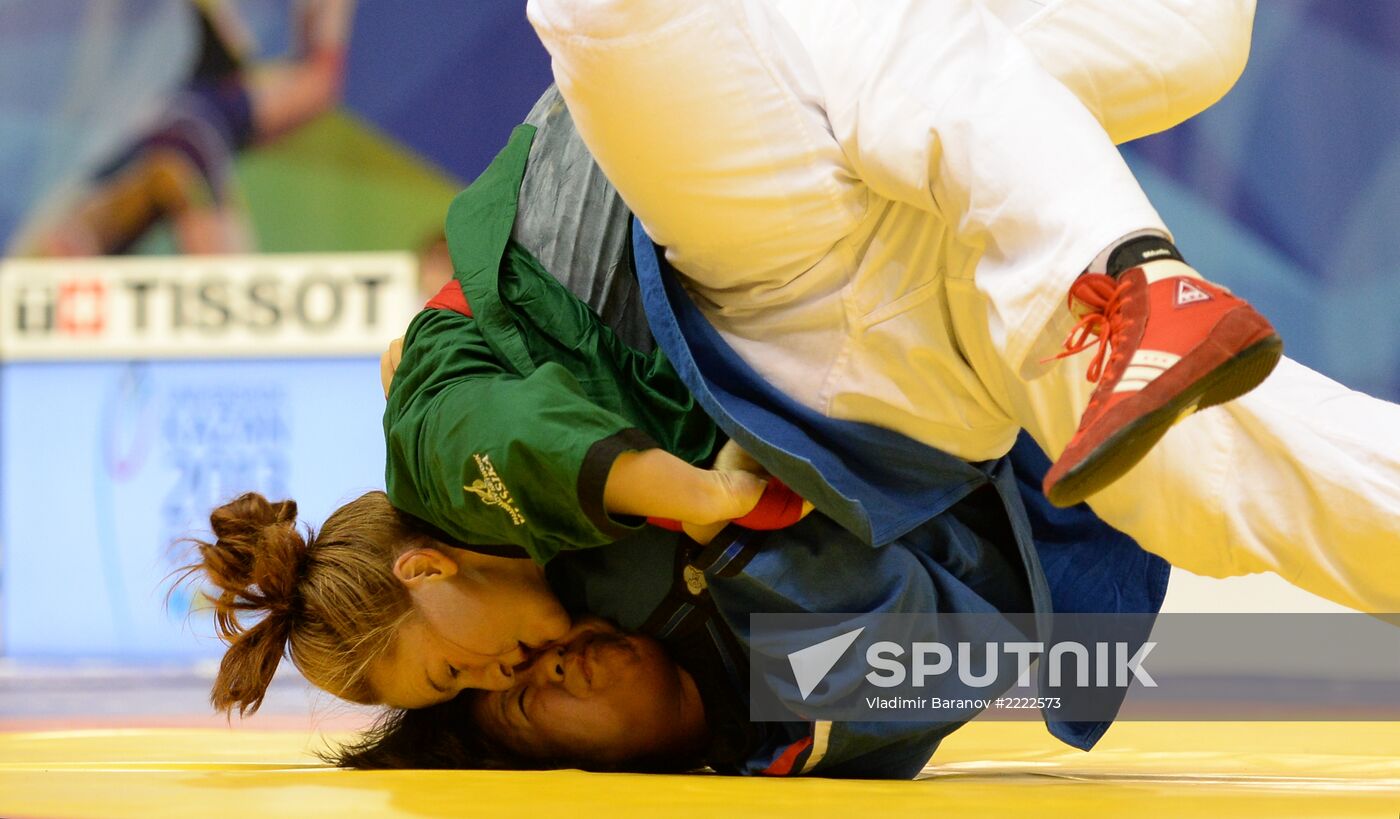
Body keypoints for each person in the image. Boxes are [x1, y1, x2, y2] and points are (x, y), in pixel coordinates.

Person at [527, 0, 1400, 613]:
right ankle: (1132, 270)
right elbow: (458, 427)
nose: (518, 670)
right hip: (814, 319)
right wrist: (686, 488)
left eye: (452, 665)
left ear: (424, 572)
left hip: (939, 221)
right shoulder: (460, 489)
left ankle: (1131, 275)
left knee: (1182, 28)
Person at [11, 0, 354, 257]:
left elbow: (321, 79)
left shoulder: (211, 106)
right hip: (171, 139)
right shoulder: (195, 119)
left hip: (175, 132)